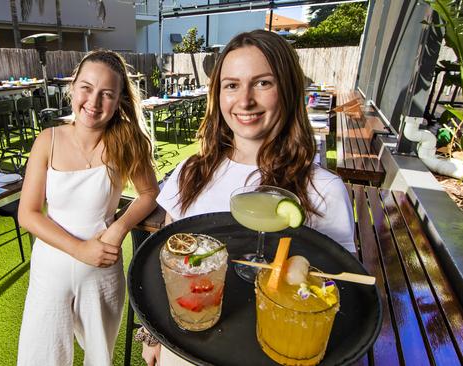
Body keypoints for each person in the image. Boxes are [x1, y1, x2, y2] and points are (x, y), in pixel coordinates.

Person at [140, 30, 355, 366]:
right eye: (232, 85)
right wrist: (153, 333)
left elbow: (338, 293)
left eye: (263, 83)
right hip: (183, 348)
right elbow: (166, 258)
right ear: (218, 95)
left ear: (288, 89)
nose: (244, 101)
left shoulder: (322, 189)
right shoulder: (190, 171)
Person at [16, 50, 158, 366]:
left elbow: (149, 193)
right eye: (86, 87)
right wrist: (79, 249)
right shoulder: (47, 140)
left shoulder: (128, 140)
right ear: (73, 87)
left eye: (107, 94)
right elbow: (28, 213)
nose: (93, 101)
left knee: (99, 357)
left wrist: (119, 228)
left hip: (103, 268)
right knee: (41, 357)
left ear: (119, 100)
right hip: (50, 267)